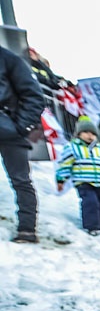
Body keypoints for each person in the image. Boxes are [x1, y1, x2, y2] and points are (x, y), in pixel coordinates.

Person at [55, 116, 100, 235]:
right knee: (91, 202)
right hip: (84, 181)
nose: (90, 136)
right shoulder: (72, 148)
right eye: (86, 132)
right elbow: (65, 164)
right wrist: (61, 179)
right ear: (78, 133)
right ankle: (92, 226)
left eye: (93, 133)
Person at [0, 45, 43, 244]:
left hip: (9, 130)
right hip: (10, 127)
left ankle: (27, 229)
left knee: (20, 180)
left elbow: (34, 96)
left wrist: (20, 126)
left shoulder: (8, 58)